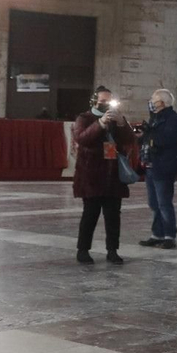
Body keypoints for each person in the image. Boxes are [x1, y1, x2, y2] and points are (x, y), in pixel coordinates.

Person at [72, 85, 133, 264]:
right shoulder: (84, 118)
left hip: (113, 175)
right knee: (90, 214)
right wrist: (100, 124)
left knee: (113, 216)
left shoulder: (117, 119)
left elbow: (130, 140)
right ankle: (83, 250)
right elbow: (82, 138)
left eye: (110, 101)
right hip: (91, 174)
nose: (107, 105)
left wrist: (122, 123)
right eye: (103, 101)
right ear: (94, 101)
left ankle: (112, 250)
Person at [138, 88, 177, 248]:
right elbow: (150, 139)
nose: (151, 103)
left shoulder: (173, 120)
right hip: (151, 165)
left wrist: (150, 134)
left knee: (164, 203)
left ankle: (169, 236)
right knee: (153, 203)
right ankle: (157, 234)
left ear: (162, 103)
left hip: (164, 166)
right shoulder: (155, 118)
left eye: (153, 100)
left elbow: (166, 140)